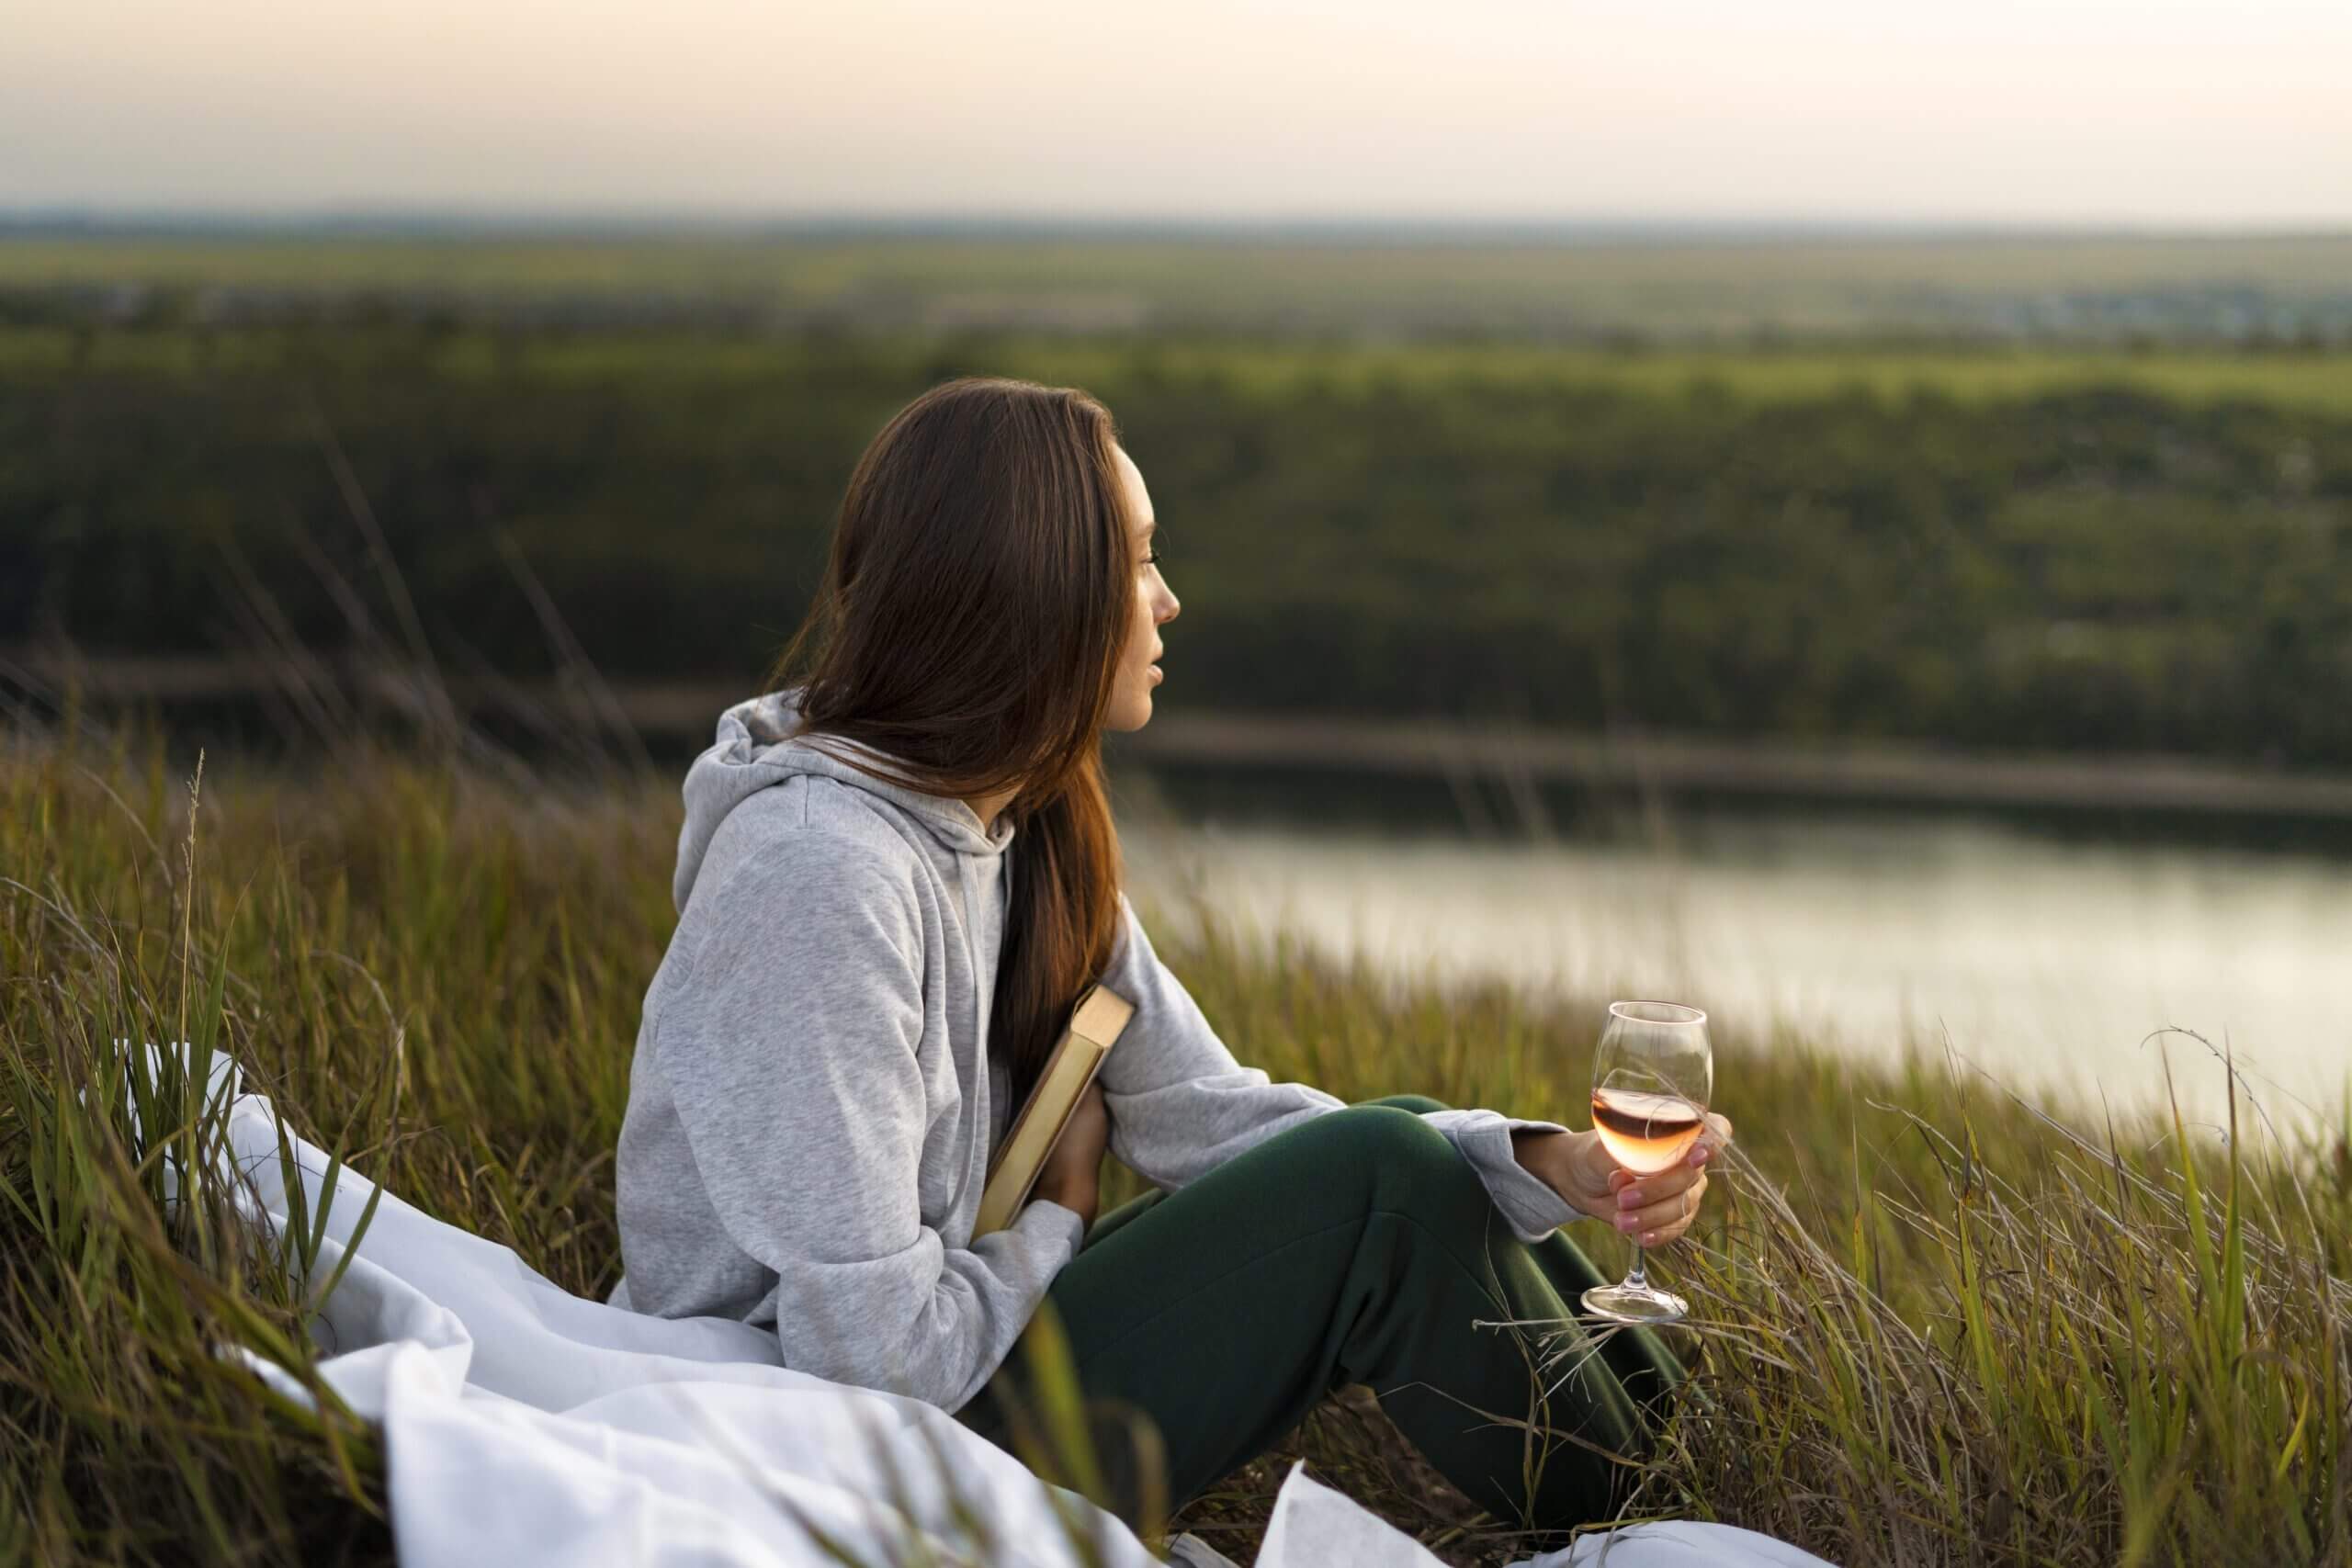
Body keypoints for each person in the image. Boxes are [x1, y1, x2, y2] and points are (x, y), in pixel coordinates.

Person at [606, 376, 1734, 1537]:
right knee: (1379, 1186)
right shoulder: (819, 875)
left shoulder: (1024, 824)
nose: (1171, 601)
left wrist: (1538, 1160)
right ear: (1036, 595)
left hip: (939, 1383)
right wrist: (1062, 1214)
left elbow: (1211, 1116)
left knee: (1392, 1141)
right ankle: (1661, 1535)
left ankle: (1686, 1492)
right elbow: (869, 1361)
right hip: (815, 1454)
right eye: (1140, 563)